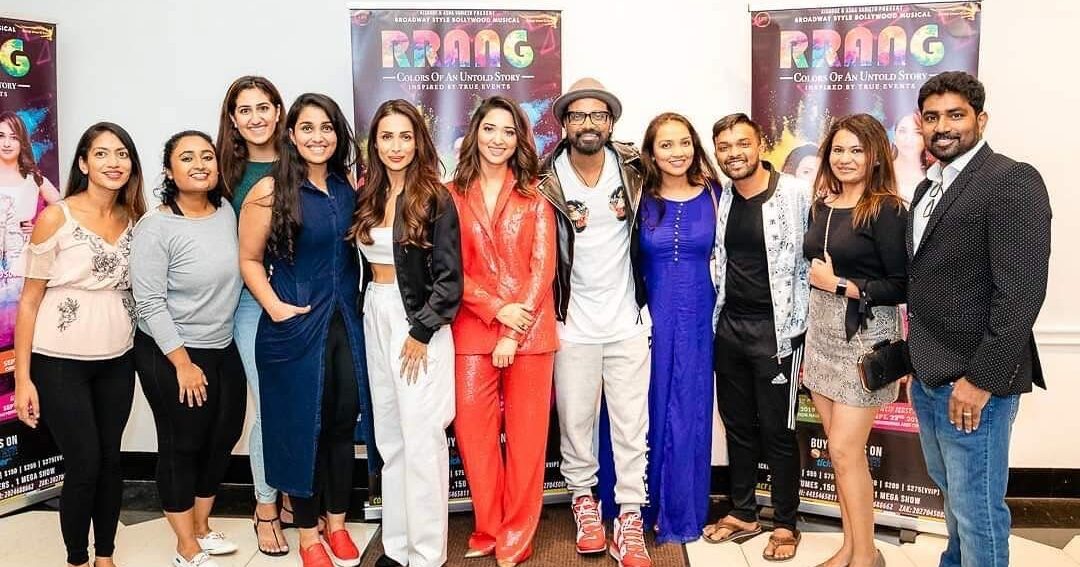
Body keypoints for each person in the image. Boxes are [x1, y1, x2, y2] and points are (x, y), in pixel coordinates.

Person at [907, 71, 1051, 567]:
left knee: (977, 512)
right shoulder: (928, 189)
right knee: (954, 500)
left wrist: (981, 380)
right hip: (931, 376)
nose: (942, 126)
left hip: (975, 384)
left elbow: (1020, 293)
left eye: (956, 115)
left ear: (981, 120)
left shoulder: (1011, 180)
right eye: (932, 117)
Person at [239, 93, 371, 567]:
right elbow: (249, 259)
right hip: (292, 330)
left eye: (327, 128)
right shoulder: (270, 190)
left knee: (340, 424)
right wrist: (274, 307)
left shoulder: (345, 187)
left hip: (345, 326)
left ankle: (337, 524)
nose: (318, 137)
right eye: (308, 128)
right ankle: (309, 535)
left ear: (338, 134)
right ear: (291, 134)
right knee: (301, 429)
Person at [13, 122, 147, 567]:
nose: (114, 162)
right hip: (59, 362)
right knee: (84, 463)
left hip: (117, 359)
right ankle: (76, 559)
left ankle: (105, 556)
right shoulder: (58, 216)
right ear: (84, 163)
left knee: (110, 461)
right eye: (102, 153)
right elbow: (28, 302)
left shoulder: (135, 220)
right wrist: (23, 380)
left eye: (122, 153)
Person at [536, 78, 652, 567]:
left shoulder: (635, 167)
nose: (589, 124)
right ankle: (584, 503)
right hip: (571, 324)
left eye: (598, 115)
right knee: (576, 422)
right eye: (578, 115)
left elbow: (687, 179)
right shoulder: (543, 177)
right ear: (565, 123)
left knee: (631, 425)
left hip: (627, 321)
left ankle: (629, 516)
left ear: (611, 123)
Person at [351, 99, 462, 567]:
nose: (395, 146)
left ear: (418, 142)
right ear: (374, 144)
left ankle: (427, 554)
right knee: (390, 440)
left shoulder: (434, 197)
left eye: (405, 136)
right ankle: (397, 549)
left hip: (417, 322)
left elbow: (450, 280)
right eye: (386, 137)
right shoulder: (367, 195)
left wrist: (420, 330)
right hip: (374, 314)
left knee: (421, 441)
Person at [449, 95, 558, 567]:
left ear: (520, 140)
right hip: (471, 330)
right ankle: (489, 526)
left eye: (509, 131)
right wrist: (496, 309)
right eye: (490, 129)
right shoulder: (450, 195)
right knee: (474, 439)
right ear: (475, 133)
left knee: (527, 441)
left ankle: (517, 531)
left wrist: (514, 328)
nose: (498, 139)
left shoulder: (536, 196)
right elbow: (447, 268)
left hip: (530, 334)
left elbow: (543, 268)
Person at [131, 131, 246, 567]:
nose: (199, 165)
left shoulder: (226, 211)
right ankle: (185, 545)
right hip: (170, 350)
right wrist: (181, 362)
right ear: (169, 170)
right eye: (187, 158)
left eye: (206, 156)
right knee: (183, 443)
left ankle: (201, 526)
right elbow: (149, 302)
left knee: (223, 436)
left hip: (221, 344)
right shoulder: (156, 227)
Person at [701, 113, 811, 563]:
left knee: (778, 431)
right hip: (729, 328)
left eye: (742, 143)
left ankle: (785, 521)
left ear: (760, 143)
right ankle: (744, 512)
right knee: (738, 426)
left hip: (777, 333)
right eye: (724, 146)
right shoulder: (722, 196)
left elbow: (814, 259)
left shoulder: (796, 194)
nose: (734, 154)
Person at [801, 114, 908, 567]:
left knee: (845, 450)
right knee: (841, 454)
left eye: (857, 150)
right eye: (838, 150)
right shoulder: (822, 205)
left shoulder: (888, 209)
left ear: (876, 156)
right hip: (822, 338)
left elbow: (902, 285)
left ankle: (866, 556)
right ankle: (850, 547)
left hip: (864, 341)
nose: (845, 159)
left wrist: (841, 285)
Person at [214, 75, 291, 557]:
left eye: (264, 107)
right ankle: (265, 506)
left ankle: (290, 491)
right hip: (248, 302)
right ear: (233, 119)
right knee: (270, 405)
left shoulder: (303, 159)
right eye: (245, 110)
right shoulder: (222, 173)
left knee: (303, 402)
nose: (256, 117)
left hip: (302, 297)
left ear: (279, 111)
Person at [633, 112, 719, 543]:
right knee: (643, 409)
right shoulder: (637, 199)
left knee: (690, 408)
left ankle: (682, 510)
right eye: (665, 144)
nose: (677, 152)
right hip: (650, 319)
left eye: (684, 142)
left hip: (699, 320)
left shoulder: (715, 194)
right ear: (651, 152)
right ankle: (635, 508)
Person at [0, 111, 62, 239]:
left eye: (14, 137)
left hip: (23, 249)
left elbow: (64, 212)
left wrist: (40, 230)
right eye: (1, 136)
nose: (6, 144)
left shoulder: (34, 179)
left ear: (22, 142)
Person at [891, 112, 928, 204]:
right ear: (894, 137)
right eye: (903, 131)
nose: (909, 138)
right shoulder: (879, 173)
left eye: (917, 132)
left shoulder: (934, 175)